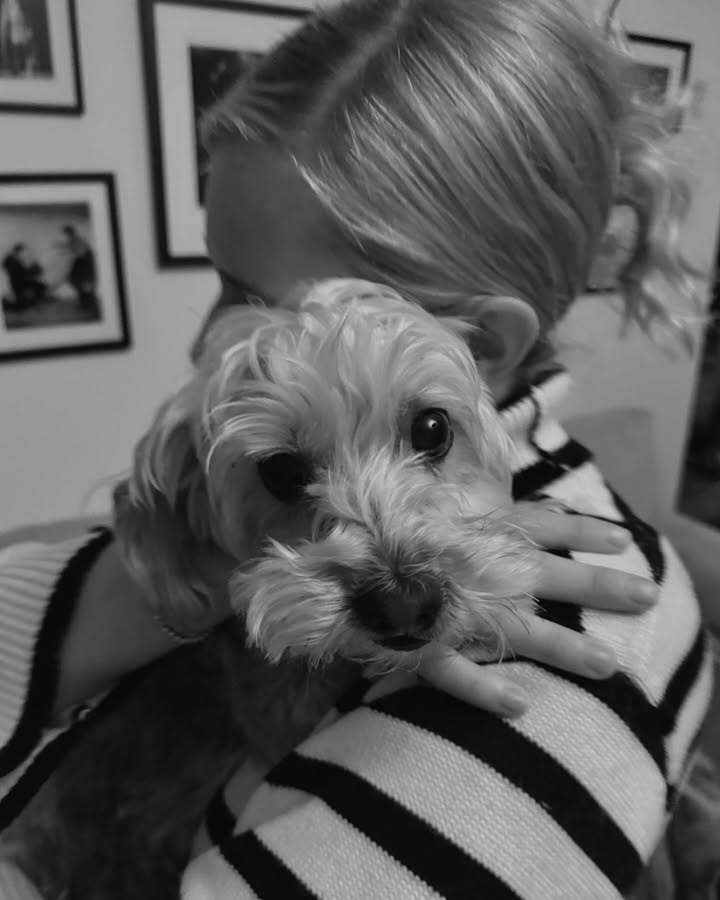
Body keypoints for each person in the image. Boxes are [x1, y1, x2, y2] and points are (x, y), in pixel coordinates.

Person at [0, 0, 714, 897]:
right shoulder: (260, 548)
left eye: (426, 433)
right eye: (219, 281)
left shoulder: (555, 676)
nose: (200, 349)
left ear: (483, 348)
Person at [1, 243, 45, 310]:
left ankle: (28, 303)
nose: (25, 254)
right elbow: (19, 276)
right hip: (17, 286)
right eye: (23, 252)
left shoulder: (13, 260)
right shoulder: (12, 261)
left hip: (18, 285)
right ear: (19, 252)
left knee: (39, 286)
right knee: (39, 287)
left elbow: (23, 274)